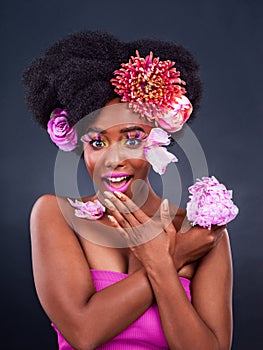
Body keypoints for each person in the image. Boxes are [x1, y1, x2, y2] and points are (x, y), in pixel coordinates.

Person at [23, 31, 233, 349]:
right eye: (97, 141)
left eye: (132, 139)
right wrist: (173, 257)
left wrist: (161, 265)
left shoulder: (201, 232)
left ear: (159, 139)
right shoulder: (55, 215)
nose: (113, 159)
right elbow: (85, 333)